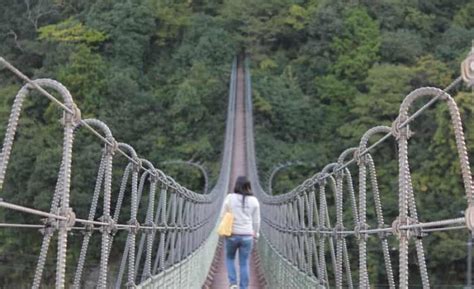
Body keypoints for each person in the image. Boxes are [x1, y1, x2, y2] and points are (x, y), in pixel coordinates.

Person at [223, 176, 260, 289]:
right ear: (248, 186)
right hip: (247, 235)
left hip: (231, 234)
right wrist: (256, 234)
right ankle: (244, 287)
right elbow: (257, 221)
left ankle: (233, 283)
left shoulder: (230, 198)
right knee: (244, 263)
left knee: (230, 258)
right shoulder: (254, 201)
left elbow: (222, 215)